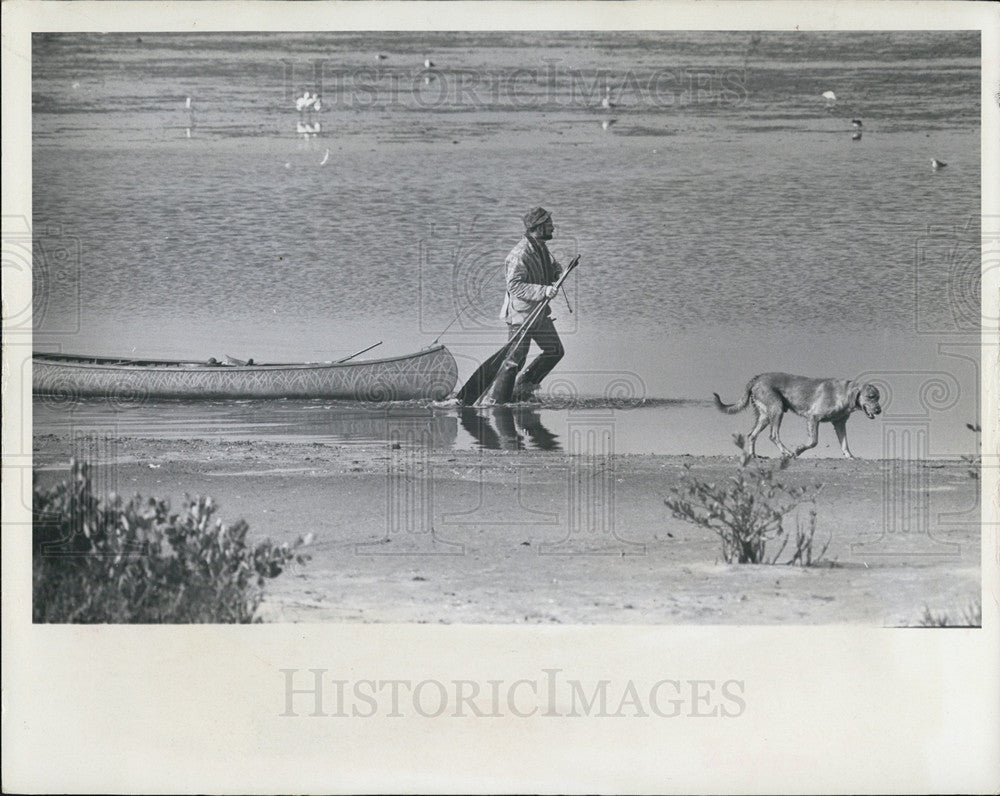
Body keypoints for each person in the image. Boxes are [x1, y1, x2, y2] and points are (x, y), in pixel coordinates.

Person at [483, 206, 565, 404]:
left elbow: (547, 270)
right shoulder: (519, 254)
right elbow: (514, 286)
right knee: (514, 361)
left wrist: (556, 272)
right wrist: (543, 291)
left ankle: (523, 389)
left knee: (554, 351)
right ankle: (496, 401)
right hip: (522, 316)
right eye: (549, 225)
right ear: (538, 227)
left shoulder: (541, 247)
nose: (553, 228)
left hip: (538, 313)